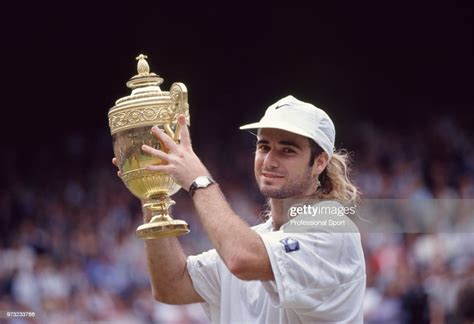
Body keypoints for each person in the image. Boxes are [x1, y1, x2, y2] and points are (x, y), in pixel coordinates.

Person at [113, 95, 366, 323]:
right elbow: (171, 285)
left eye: (287, 150)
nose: (269, 161)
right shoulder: (257, 239)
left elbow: (242, 259)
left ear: (320, 162)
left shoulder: (334, 231)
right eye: (263, 146)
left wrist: (199, 180)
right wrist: (151, 191)